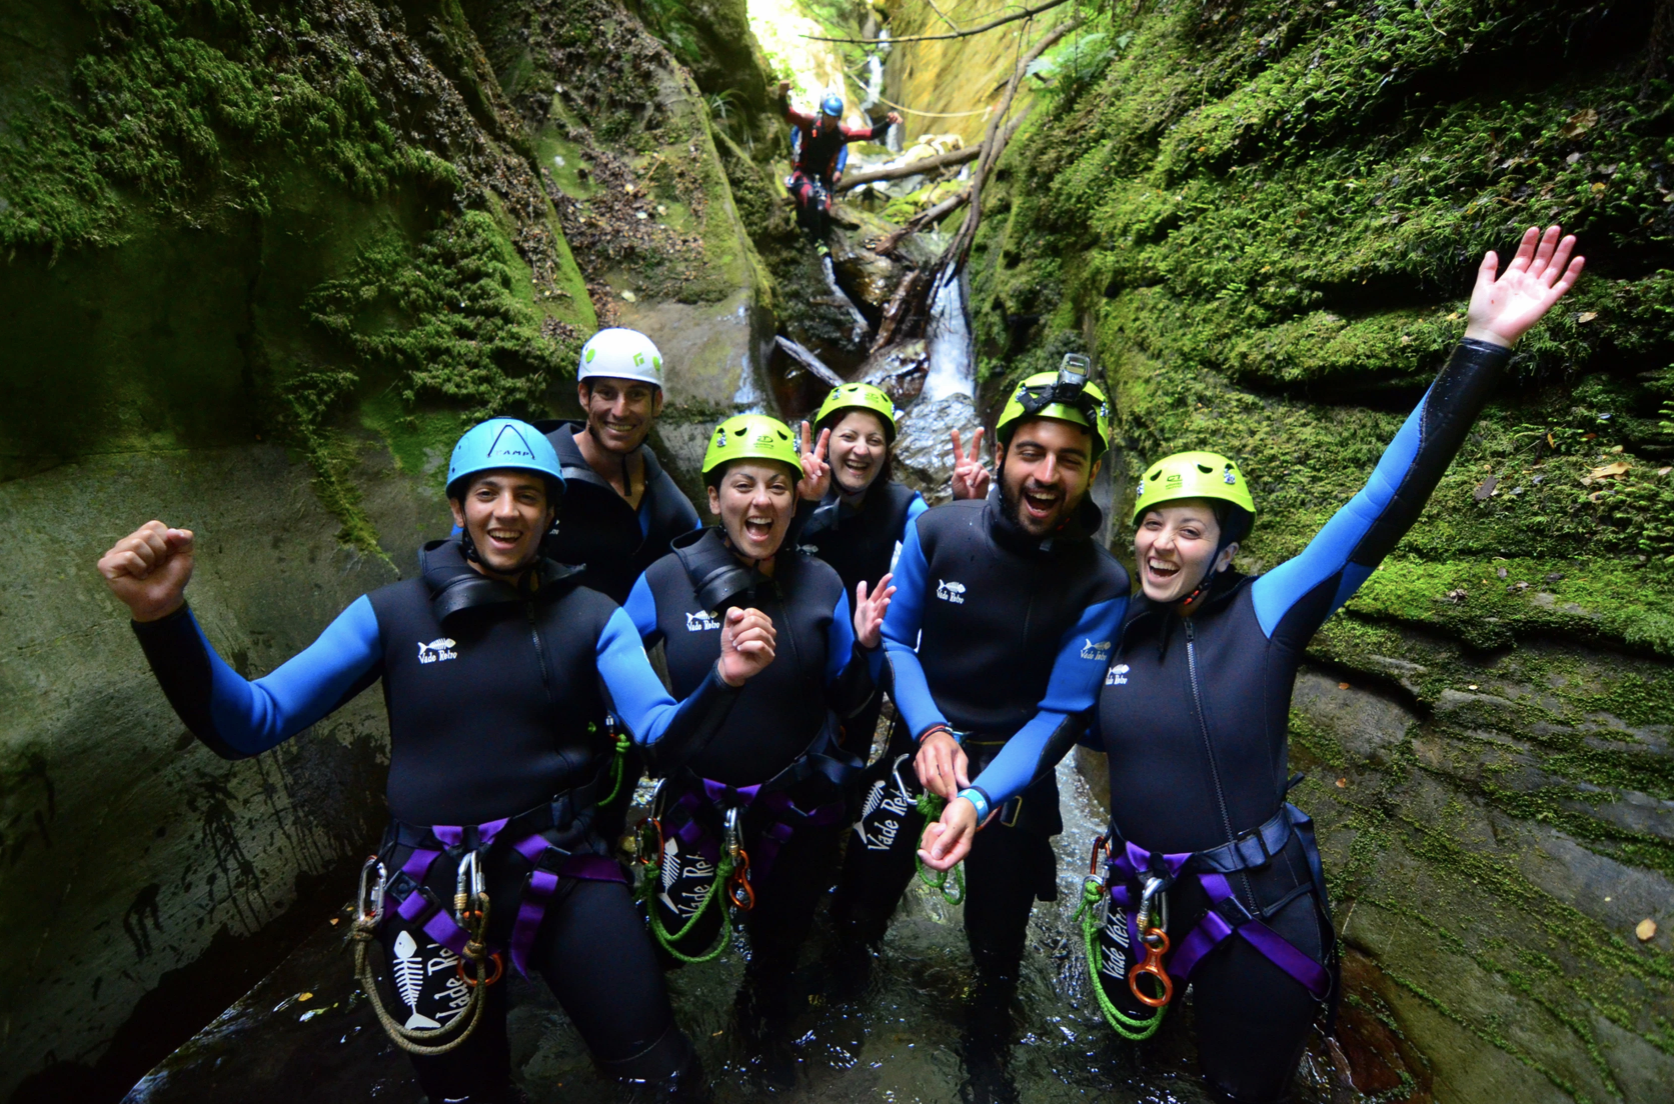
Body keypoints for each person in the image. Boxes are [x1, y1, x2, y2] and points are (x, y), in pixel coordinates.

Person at [921, 225, 1585, 1103]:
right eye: (1153, 523)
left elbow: (1382, 503)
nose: (1163, 542)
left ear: (1226, 548)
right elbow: (1048, 724)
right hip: (1138, 897)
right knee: (1124, 1072)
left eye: (1191, 529)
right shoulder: (1110, 628)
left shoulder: (1268, 612)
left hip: (1253, 909)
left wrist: (1482, 345)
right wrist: (974, 797)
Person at [98, 418, 779, 1103]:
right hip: (430, 886)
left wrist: (723, 679)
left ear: (551, 514)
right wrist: (164, 619)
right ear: (457, 508)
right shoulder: (390, 616)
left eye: (527, 495)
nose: (506, 511)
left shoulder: (592, 617)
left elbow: (660, 732)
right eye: (487, 492)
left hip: (568, 872)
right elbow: (251, 722)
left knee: (665, 1077)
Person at [830, 364, 1131, 1064]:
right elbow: (898, 641)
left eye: (1069, 459)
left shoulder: (1102, 582)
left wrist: (980, 794)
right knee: (858, 909)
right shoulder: (939, 533)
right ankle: (837, 1026)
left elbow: (1062, 711)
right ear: (1002, 456)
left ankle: (986, 1050)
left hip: (1014, 773)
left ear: (1091, 474)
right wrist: (931, 730)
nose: (1047, 474)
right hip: (917, 747)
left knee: (998, 944)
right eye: (1031, 452)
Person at [624, 413, 893, 1060]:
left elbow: (848, 700)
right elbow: (609, 662)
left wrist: (865, 648)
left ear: (797, 496)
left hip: (793, 802)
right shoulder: (665, 579)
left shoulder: (821, 582)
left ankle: (760, 1038)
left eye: (778, 484)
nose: (762, 500)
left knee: (779, 948)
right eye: (743, 484)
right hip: (696, 798)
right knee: (675, 939)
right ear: (714, 498)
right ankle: (665, 1047)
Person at [533, 327, 704, 847]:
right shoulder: (539, 466)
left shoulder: (654, 482)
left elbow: (697, 557)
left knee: (608, 798)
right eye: (605, 392)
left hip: (617, 675)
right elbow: (466, 551)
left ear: (657, 403)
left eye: (636, 395)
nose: (620, 409)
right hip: (537, 672)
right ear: (583, 396)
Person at [788, 382, 927, 757]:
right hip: (794, 648)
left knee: (847, 769)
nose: (861, 450)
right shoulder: (789, 490)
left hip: (863, 652)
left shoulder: (901, 504)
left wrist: (966, 506)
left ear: (887, 452)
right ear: (825, 440)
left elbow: (936, 546)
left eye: (875, 440)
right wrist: (802, 504)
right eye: (848, 436)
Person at [776, 80, 899, 236]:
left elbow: (869, 134)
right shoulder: (810, 122)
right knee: (810, 196)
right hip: (803, 173)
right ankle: (815, 238)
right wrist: (781, 95)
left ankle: (815, 229)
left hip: (823, 179)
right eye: (827, 116)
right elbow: (787, 114)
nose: (829, 121)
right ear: (823, 114)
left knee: (822, 211)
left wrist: (888, 123)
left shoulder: (842, 133)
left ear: (838, 118)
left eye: (834, 118)